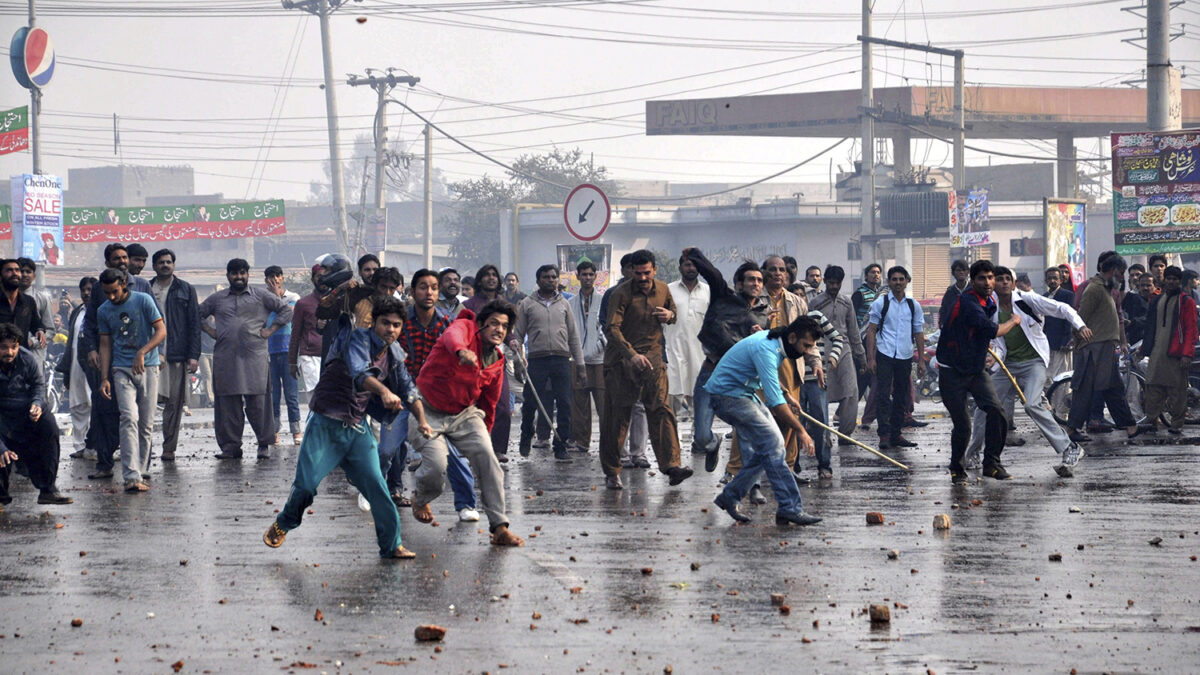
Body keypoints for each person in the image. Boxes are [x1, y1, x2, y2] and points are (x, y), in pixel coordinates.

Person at [263, 295, 429, 560]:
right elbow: (360, 374)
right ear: (374, 323)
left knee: (378, 488)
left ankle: (391, 545)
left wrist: (422, 420)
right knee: (306, 486)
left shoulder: (394, 354)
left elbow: (409, 389)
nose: (390, 329)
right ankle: (285, 521)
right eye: (385, 323)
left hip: (357, 428)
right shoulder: (356, 339)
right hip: (325, 424)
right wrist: (384, 391)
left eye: (396, 325)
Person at [407, 301, 525, 547]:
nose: (499, 329)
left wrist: (483, 442)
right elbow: (453, 337)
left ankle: (500, 527)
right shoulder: (464, 327)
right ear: (481, 324)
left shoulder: (497, 359)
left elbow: (489, 404)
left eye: (504, 326)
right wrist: (462, 351)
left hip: (464, 414)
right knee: (437, 466)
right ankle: (421, 498)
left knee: (489, 460)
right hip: (426, 409)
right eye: (494, 323)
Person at [963, 266, 1090, 477]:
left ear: (1013, 283)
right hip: (1006, 364)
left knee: (1031, 404)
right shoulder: (989, 305)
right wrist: (990, 356)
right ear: (993, 283)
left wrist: (1080, 326)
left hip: (1033, 362)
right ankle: (974, 453)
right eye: (999, 279)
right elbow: (992, 338)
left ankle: (1070, 448)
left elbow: (1062, 308)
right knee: (984, 406)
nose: (1004, 282)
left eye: (1008, 279)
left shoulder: (1026, 299)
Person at [707, 316, 823, 527]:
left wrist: (786, 394)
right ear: (792, 337)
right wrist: (801, 430)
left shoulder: (773, 343)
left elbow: (767, 376)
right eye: (805, 346)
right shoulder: (766, 349)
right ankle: (790, 507)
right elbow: (775, 404)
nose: (807, 352)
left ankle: (730, 496)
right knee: (772, 443)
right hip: (727, 396)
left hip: (743, 393)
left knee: (771, 446)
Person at [599, 250, 693, 490]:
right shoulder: (619, 294)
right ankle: (612, 471)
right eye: (638, 273)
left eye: (646, 273)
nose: (642, 278)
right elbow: (612, 329)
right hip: (622, 361)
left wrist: (670, 315)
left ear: (655, 270)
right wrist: (632, 355)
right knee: (617, 417)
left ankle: (672, 466)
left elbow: (673, 313)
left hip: (653, 360)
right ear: (631, 271)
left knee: (661, 411)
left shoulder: (663, 289)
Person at [389, 269, 478, 519]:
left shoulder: (447, 323)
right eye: (423, 287)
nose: (429, 292)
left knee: (451, 451)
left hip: (435, 397)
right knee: (386, 449)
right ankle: (379, 493)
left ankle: (466, 504)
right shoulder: (400, 322)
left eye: (434, 288)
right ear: (412, 291)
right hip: (403, 393)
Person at [199, 259, 293, 460]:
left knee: (259, 403)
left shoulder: (261, 295)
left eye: (242, 273)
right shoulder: (217, 299)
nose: (239, 277)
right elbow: (196, 314)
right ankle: (231, 447)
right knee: (228, 404)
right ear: (228, 276)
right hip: (226, 358)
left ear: (248, 274)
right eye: (234, 273)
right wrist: (209, 330)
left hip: (254, 358)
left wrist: (271, 329)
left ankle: (263, 444)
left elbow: (286, 310)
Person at [936, 260, 1021, 483]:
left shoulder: (989, 300)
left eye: (991, 278)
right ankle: (957, 469)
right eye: (982, 278)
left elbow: (980, 335)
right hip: (952, 371)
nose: (988, 282)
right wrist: (1014, 321)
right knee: (963, 424)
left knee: (997, 412)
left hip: (975, 370)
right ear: (972, 281)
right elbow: (993, 331)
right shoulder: (968, 302)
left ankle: (991, 464)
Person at [685, 249, 769, 470]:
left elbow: (765, 351)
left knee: (746, 432)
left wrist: (761, 337)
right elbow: (712, 274)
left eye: (759, 280)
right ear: (739, 284)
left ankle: (750, 482)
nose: (756, 284)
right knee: (701, 437)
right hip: (711, 373)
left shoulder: (763, 315)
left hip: (738, 381)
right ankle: (713, 444)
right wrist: (694, 255)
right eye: (751, 279)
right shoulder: (724, 297)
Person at [78, 244, 153, 481]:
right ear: (108, 263)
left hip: (143, 361)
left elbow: (158, 323)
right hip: (112, 360)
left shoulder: (143, 287)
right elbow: (91, 322)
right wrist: (92, 349)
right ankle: (105, 463)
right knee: (106, 411)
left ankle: (142, 467)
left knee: (143, 417)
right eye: (116, 258)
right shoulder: (100, 288)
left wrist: (157, 354)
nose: (122, 261)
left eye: (124, 257)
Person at [97, 268, 167, 492]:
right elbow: (105, 345)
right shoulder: (103, 310)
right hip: (121, 369)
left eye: (115, 292)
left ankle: (141, 470)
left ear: (124, 283)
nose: (111, 297)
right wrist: (104, 377)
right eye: (107, 293)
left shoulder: (143, 300)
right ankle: (131, 476)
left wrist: (142, 352)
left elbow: (161, 331)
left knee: (146, 423)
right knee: (128, 418)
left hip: (148, 367)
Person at [510, 264, 584, 461]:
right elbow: (518, 334)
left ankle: (561, 445)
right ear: (538, 280)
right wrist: (517, 362)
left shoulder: (564, 304)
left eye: (553, 277)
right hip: (537, 360)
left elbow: (573, 336)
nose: (550, 280)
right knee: (530, 402)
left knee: (565, 403)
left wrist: (580, 365)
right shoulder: (527, 304)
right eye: (546, 277)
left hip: (561, 359)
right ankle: (526, 434)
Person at [1067, 255, 1141, 443]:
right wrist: (1078, 342)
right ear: (1113, 271)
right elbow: (1079, 319)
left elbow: (1118, 318)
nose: (1122, 277)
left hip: (1105, 348)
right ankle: (1072, 428)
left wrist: (1121, 341)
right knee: (1085, 389)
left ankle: (1130, 426)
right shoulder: (1094, 289)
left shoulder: (1107, 290)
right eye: (1121, 273)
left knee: (1113, 388)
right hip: (1093, 349)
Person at [0, 323, 72, 509]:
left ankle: (48, 489)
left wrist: (37, 404)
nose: (9, 352)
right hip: (2, 418)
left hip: (25, 413)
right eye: (3, 347)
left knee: (48, 423)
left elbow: (39, 385)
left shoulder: (27, 358)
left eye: (13, 347)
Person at [864, 266, 925, 450]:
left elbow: (919, 332)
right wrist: (871, 358)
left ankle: (896, 434)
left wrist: (921, 360)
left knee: (901, 395)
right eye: (894, 279)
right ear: (889, 282)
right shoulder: (880, 303)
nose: (898, 283)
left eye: (901, 279)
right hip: (885, 354)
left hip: (905, 356)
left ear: (907, 281)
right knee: (882, 395)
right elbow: (871, 331)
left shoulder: (913, 305)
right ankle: (884, 434)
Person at [599, 253, 651, 469]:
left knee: (640, 405)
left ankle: (639, 453)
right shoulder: (612, 294)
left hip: (644, 357)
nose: (635, 273)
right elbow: (606, 326)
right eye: (631, 268)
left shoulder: (650, 293)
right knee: (621, 405)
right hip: (619, 358)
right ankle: (622, 453)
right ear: (624, 270)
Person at [149, 249, 201, 461]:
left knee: (174, 405)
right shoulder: (147, 289)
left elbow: (194, 324)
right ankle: (144, 449)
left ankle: (168, 448)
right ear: (154, 266)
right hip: (150, 354)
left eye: (168, 262)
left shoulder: (186, 289)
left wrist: (193, 355)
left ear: (174, 265)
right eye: (161, 262)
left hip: (176, 355)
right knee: (146, 403)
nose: (165, 265)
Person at [809, 265, 866, 457]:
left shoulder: (846, 302)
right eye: (831, 283)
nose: (834, 286)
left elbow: (853, 331)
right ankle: (822, 434)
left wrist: (861, 357)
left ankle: (845, 434)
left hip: (844, 349)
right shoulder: (815, 303)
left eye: (837, 283)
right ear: (825, 281)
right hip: (821, 351)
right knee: (820, 394)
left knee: (851, 391)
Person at [1139, 266, 1197, 435]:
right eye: (1169, 278)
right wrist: (1144, 349)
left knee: (1176, 391)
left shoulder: (1186, 302)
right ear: (1165, 280)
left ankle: (1176, 424)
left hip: (1176, 354)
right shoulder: (1158, 300)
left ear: (1179, 281)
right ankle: (1151, 421)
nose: (1171, 282)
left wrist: (1187, 354)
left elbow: (1191, 330)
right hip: (1157, 353)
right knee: (1152, 387)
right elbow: (1150, 328)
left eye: (1175, 279)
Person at [464, 264, 513, 459]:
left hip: (496, 361)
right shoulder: (469, 305)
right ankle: (473, 449)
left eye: (494, 275)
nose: (491, 278)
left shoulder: (504, 304)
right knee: (473, 407)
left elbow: (508, 331)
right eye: (487, 275)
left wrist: (513, 341)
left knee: (503, 407)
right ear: (480, 279)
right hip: (473, 361)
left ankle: (498, 450)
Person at [665, 254, 710, 421]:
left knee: (699, 402)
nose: (691, 268)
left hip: (700, 354)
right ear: (680, 268)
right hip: (673, 352)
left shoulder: (708, 291)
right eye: (687, 265)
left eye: (694, 265)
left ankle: (699, 436)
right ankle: (671, 437)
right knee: (671, 399)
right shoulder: (668, 290)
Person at [567, 260, 606, 454]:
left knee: (604, 405)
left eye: (591, 274)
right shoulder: (570, 303)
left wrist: (600, 346)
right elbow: (567, 330)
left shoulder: (604, 300)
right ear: (578, 276)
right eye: (584, 274)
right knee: (579, 404)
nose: (588, 278)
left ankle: (608, 443)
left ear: (596, 276)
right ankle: (582, 442)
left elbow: (608, 327)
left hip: (600, 360)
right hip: (578, 360)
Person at [264, 265, 302, 445]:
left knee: (291, 394)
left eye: (278, 276)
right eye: (271, 277)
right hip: (269, 352)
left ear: (282, 278)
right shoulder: (262, 299)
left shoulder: (293, 297)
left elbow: (288, 317)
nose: (275, 280)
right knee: (273, 395)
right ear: (266, 281)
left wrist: (276, 297)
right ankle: (274, 431)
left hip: (289, 351)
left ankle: (296, 431)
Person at [59, 276, 96, 459]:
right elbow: (70, 344)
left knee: (94, 404)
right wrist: (67, 370)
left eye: (90, 289)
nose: (86, 293)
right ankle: (80, 445)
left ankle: (96, 445)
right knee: (78, 404)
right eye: (84, 290)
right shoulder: (77, 312)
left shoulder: (102, 311)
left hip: (95, 365)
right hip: (75, 364)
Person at [288, 264, 326, 397]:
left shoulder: (338, 302)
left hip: (332, 356)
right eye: (319, 276)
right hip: (310, 356)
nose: (322, 280)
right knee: (315, 396)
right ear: (313, 279)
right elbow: (295, 333)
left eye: (325, 276)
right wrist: (292, 361)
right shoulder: (303, 304)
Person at [1042, 267, 1076, 388]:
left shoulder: (1067, 295)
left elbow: (1069, 319)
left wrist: (1066, 340)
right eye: (1049, 278)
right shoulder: (1044, 296)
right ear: (1046, 281)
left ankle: (1062, 401)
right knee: (1048, 378)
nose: (1052, 281)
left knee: (1062, 378)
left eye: (1055, 278)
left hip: (1062, 344)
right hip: (1048, 343)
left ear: (1060, 280)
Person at [16, 258, 54, 363]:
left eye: (28, 272)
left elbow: (50, 331)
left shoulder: (42, 298)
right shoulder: (8, 298)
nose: (24, 274)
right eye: (21, 271)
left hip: (35, 356)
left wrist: (32, 342)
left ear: (34, 276)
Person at [0, 259, 44, 350]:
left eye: (17, 270)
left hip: (21, 353)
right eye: (9, 270)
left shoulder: (28, 301)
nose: (15, 273)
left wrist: (39, 330)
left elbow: (36, 324)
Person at [938, 259, 970, 329]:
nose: (961, 272)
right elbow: (944, 310)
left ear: (968, 272)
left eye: (964, 270)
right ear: (953, 273)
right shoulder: (950, 292)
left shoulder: (973, 289)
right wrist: (942, 324)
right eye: (958, 270)